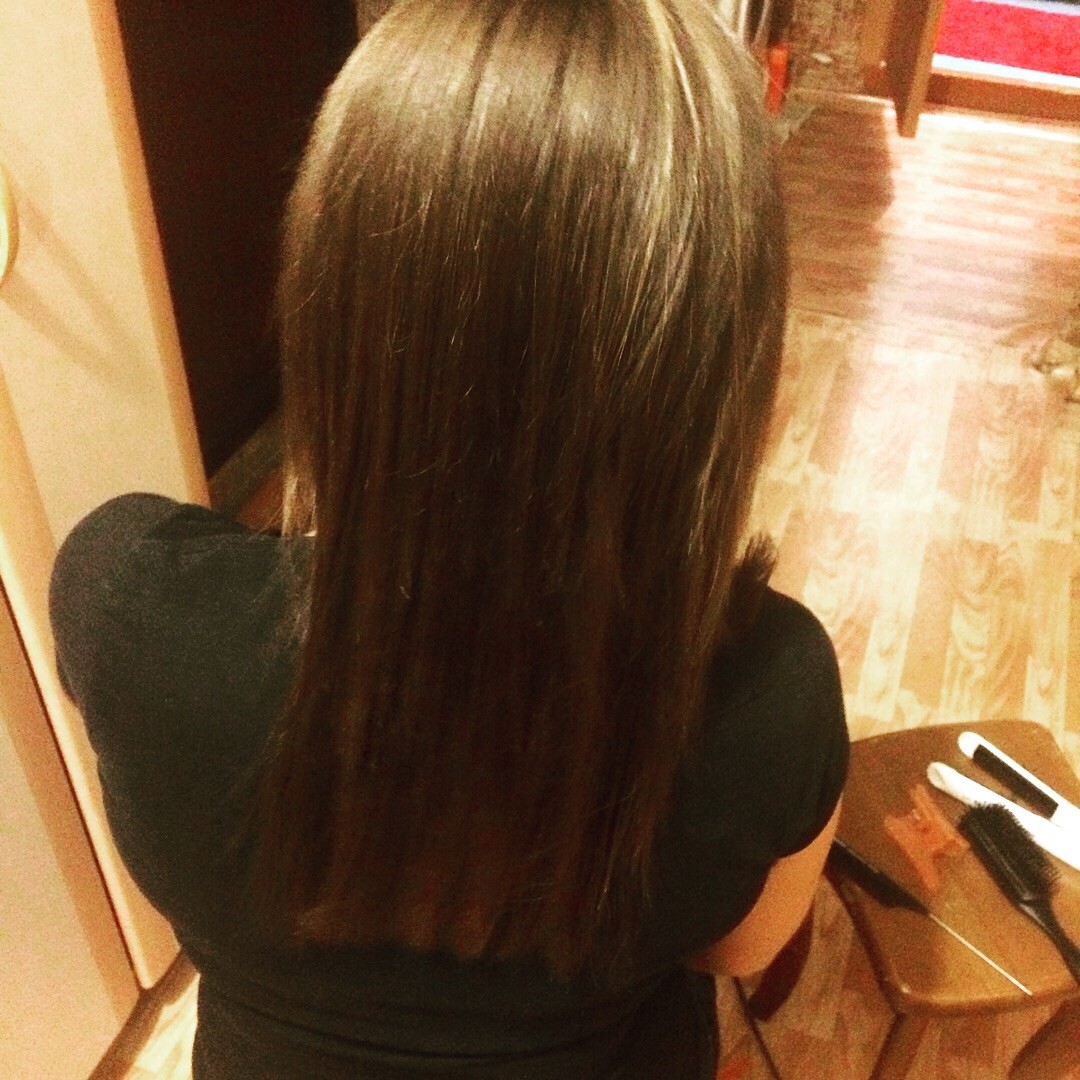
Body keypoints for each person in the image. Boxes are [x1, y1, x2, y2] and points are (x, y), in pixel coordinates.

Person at [50, 1, 848, 1077]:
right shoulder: (767, 692)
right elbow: (739, 950)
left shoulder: (128, 604)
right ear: (714, 363)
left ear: (334, 283)